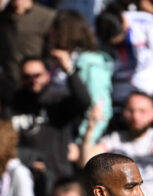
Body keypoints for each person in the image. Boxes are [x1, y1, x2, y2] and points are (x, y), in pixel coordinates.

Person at [9, 56, 91, 196]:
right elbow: (5, 142)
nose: (33, 80)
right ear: (21, 78)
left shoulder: (57, 100)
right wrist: (29, 159)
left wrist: (68, 69)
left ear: (47, 75)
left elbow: (84, 101)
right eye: (27, 76)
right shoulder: (13, 104)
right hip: (25, 179)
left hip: (59, 178)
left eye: (37, 75)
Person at [48, 10, 114, 144]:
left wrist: (84, 142)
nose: (50, 34)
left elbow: (99, 105)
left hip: (80, 140)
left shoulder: (90, 61)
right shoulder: (57, 62)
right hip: (59, 136)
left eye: (54, 29)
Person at [95, 4, 153, 110]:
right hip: (116, 100)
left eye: (121, 40)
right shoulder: (97, 33)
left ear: (124, 22)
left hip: (147, 99)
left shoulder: (146, 23)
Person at [0, 0, 55, 88]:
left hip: (35, 81)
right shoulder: (4, 16)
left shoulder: (47, 16)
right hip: (10, 80)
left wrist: (43, 74)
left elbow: (51, 51)